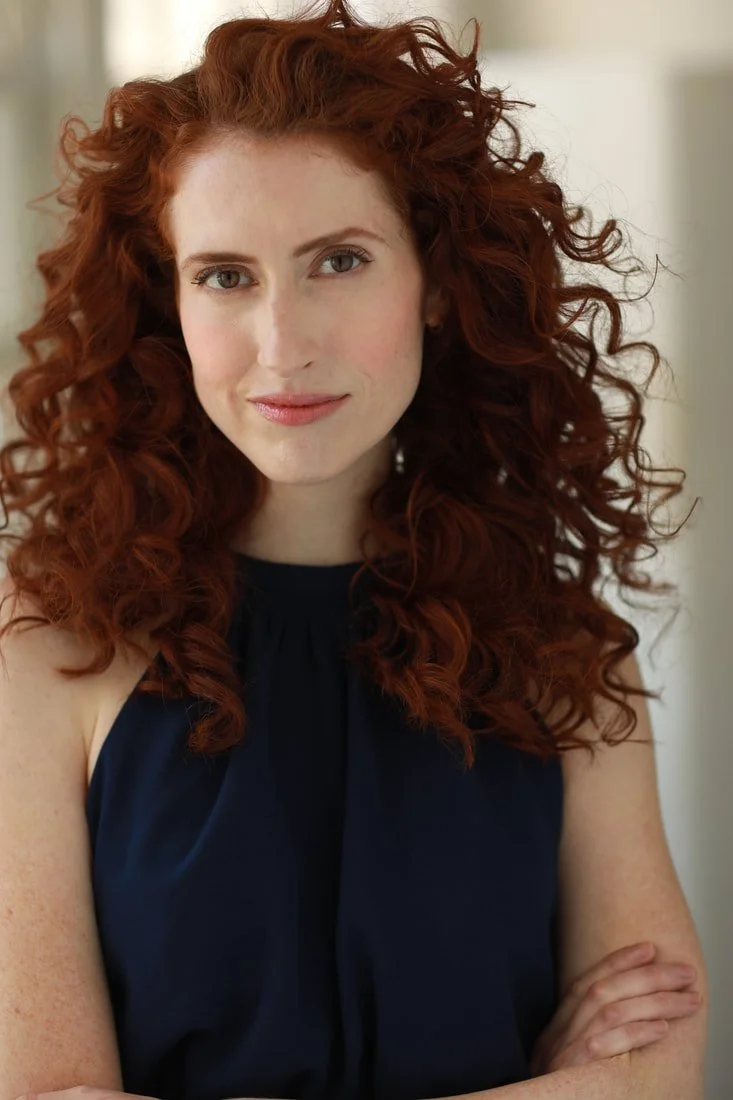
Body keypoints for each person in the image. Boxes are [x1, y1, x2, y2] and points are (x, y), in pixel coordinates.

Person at [0, 1, 707, 1098]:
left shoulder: (567, 655)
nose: (284, 343)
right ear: (165, 304)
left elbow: (656, 1074)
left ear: (435, 284)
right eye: (225, 275)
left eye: (338, 260)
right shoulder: (47, 646)